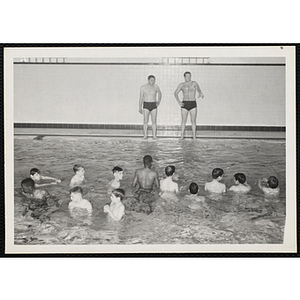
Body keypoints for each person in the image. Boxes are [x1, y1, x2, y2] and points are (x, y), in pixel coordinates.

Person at [174, 71, 204, 139]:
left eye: (190, 76)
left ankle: (194, 136)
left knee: (193, 121)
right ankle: (182, 136)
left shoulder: (194, 83)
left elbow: (199, 90)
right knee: (183, 120)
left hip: (193, 103)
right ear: (184, 77)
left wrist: (200, 93)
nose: (189, 77)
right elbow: (175, 93)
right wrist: (178, 101)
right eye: (187, 76)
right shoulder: (182, 85)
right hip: (185, 103)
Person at [139, 75, 162, 139]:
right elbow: (141, 98)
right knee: (145, 120)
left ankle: (154, 135)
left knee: (154, 121)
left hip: (153, 104)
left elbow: (160, 93)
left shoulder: (156, 86)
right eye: (151, 80)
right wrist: (139, 107)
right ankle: (145, 135)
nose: (153, 82)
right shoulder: (143, 87)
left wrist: (158, 101)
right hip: (146, 104)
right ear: (148, 80)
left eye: (154, 80)